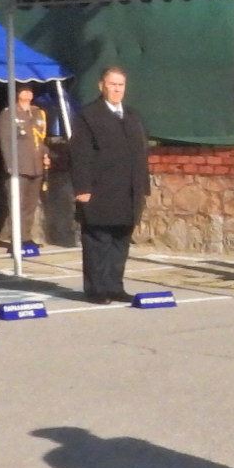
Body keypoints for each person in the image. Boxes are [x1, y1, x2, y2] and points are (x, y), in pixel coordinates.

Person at [73, 64, 150, 303]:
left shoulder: (132, 116)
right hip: (100, 192)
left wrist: (143, 188)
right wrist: (82, 188)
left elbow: (140, 154)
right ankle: (96, 289)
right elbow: (79, 155)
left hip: (128, 193)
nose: (117, 90)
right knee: (98, 242)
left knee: (120, 242)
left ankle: (114, 286)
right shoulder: (89, 116)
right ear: (101, 86)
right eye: (112, 85)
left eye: (120, 85)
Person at [0, 85, 51, 249]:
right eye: (24, 91)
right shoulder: (9, 113)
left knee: (30, 203)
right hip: (19, 163)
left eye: (30, 91)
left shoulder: (38, 113)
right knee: (17, 203)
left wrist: (46, 154)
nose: (28, 93)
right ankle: (12, 236)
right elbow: (5, 140)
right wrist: (10, 164)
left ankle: (25, 236)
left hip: (36, 164)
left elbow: (41, 139)